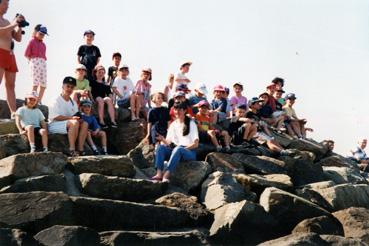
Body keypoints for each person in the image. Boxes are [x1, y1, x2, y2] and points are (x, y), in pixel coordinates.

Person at [152, 101, 199, 183]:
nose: (177, 111)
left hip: (189, 152)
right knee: (160, 147)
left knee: (178, 149)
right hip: (175, 150)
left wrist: (179, 149)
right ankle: (159, 174)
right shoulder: (173, 124)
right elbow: (169, 143)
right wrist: (163, 139)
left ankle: (166, 175)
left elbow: (196, 144)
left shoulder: (191, 123)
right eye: (175, 109)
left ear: (184, 111)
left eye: (180, 109)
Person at [48, 77, 88, 156]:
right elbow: (55, 116)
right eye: (68, 86)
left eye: (72, 87)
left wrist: (79, 119)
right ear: (63, 86)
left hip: (68, 123)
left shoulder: (73, 102)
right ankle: (72, 150)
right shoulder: (55, 99)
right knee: (74, 122)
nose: (69, 89)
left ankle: (80, 149)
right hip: (54, 125)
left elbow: (76, 116)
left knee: (85, 124)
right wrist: (71, 118)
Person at [0, 0, 24, 117]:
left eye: (8, 5)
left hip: (10, 55)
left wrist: (19, 25)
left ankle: (13, 112)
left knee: (11, 85)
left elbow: (18, 38)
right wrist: (14, 24)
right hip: (0, 53)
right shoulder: (8, 23)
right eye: (5, 4)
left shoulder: (7, 21)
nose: (7, 7)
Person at [24, 24, 48, 104]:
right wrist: (31, 61)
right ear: (36, 32)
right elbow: (26, 54)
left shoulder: (43, 45)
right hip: (35, 61)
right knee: (35, 82)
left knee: (43, 83)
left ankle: (39, 100)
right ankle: (32, 99)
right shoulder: (32, 41)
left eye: (43, 34)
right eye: (40, 34)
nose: (42, 36)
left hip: (43, 62)